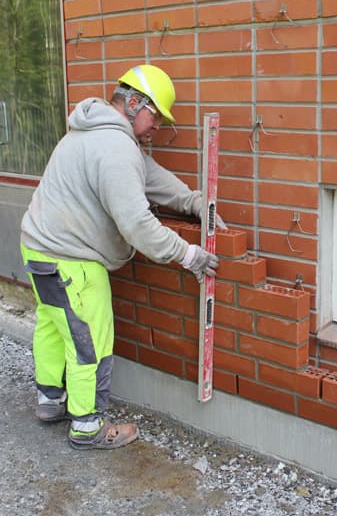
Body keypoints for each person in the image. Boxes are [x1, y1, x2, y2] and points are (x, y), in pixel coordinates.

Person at [20, 63, 226, 450]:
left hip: (37, 246)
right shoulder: (115, 148)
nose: (158, 128)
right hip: (71, 260)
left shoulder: (95, 132)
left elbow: (149, 175)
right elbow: (138, 225)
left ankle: (50, 400)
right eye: (156, 117)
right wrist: (190, 255)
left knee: (52, 325)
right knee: (89, 343)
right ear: (133, 103)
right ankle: (88, 426)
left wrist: (194, 202)